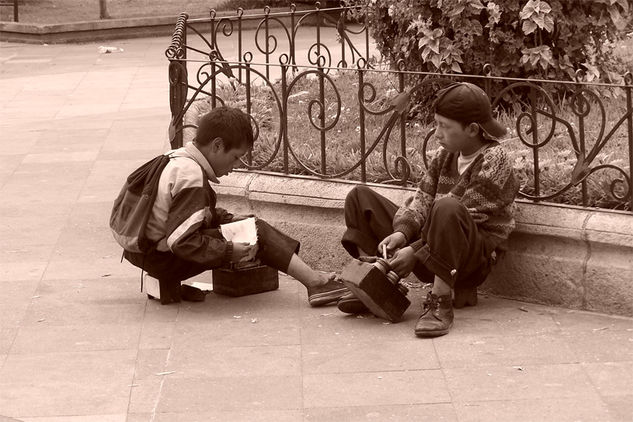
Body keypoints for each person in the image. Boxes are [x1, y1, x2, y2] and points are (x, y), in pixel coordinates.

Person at [338, 82, 519, 337]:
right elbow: (421, 201)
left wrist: (413, 251)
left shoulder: (495, 159)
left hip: (469, 257)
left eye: (444, 126)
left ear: (472, 129)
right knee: (360, 197)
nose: (437, 133)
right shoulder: (445, 155)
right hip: (430, 245)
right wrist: (402, 234)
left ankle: (440, 304)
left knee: (447, 207)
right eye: (436, 124)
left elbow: (467, 215)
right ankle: (374, 283)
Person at [123, 106, 348, 306]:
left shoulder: (180, 157)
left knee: (245, 223)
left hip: (144, 252)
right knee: (256, 231)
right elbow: (182, 242)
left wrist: (227, 218)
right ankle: (315, 282)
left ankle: (313, 277)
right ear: (217, 145)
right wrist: (229, 251)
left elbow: (187, 216)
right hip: (161, 258)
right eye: (235, 157)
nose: (236, 165)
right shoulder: (190, 176)